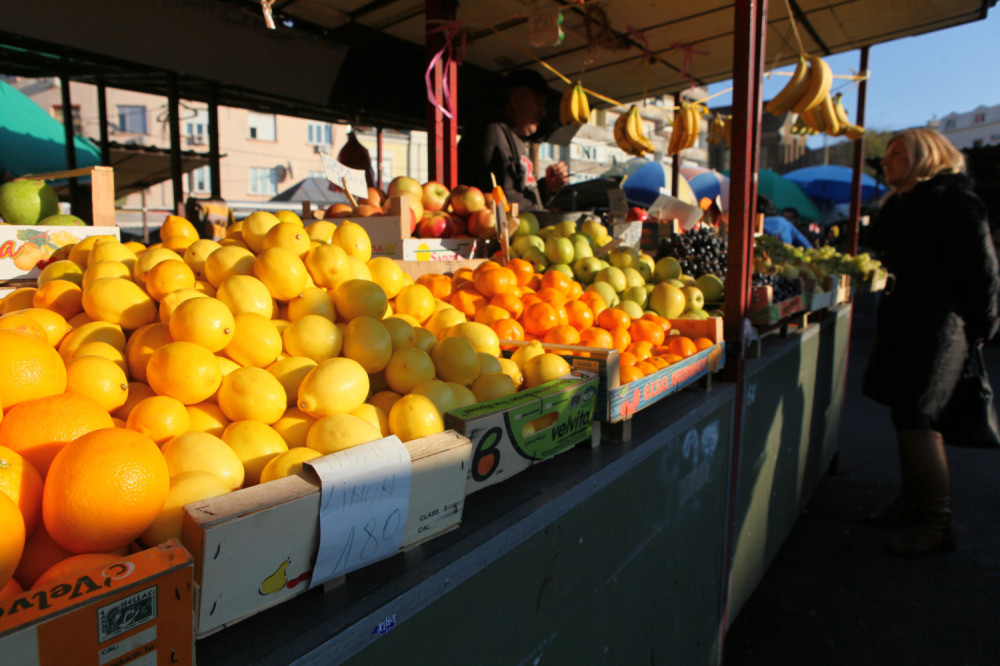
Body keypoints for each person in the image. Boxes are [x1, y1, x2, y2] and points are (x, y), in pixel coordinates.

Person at [862, 127, 999, 557]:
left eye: (896, 153)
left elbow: (984, 271)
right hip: (907, 324)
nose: (886, 160)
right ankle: (913, 501)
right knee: (905, 413)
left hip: (938, 329)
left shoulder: (954, 202)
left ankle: (937, 523)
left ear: (924, 156)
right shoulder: (902, 203)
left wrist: (985, 326)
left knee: (918, 418)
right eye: (887, 153)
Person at [457, 69, 569, 211]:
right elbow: (502, 199)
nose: (543, 112)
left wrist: (547, 187)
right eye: (539, 103)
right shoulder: (493, 131)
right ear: (515, 100)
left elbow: (519, 197)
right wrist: (541, 214)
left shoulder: (513, 136)